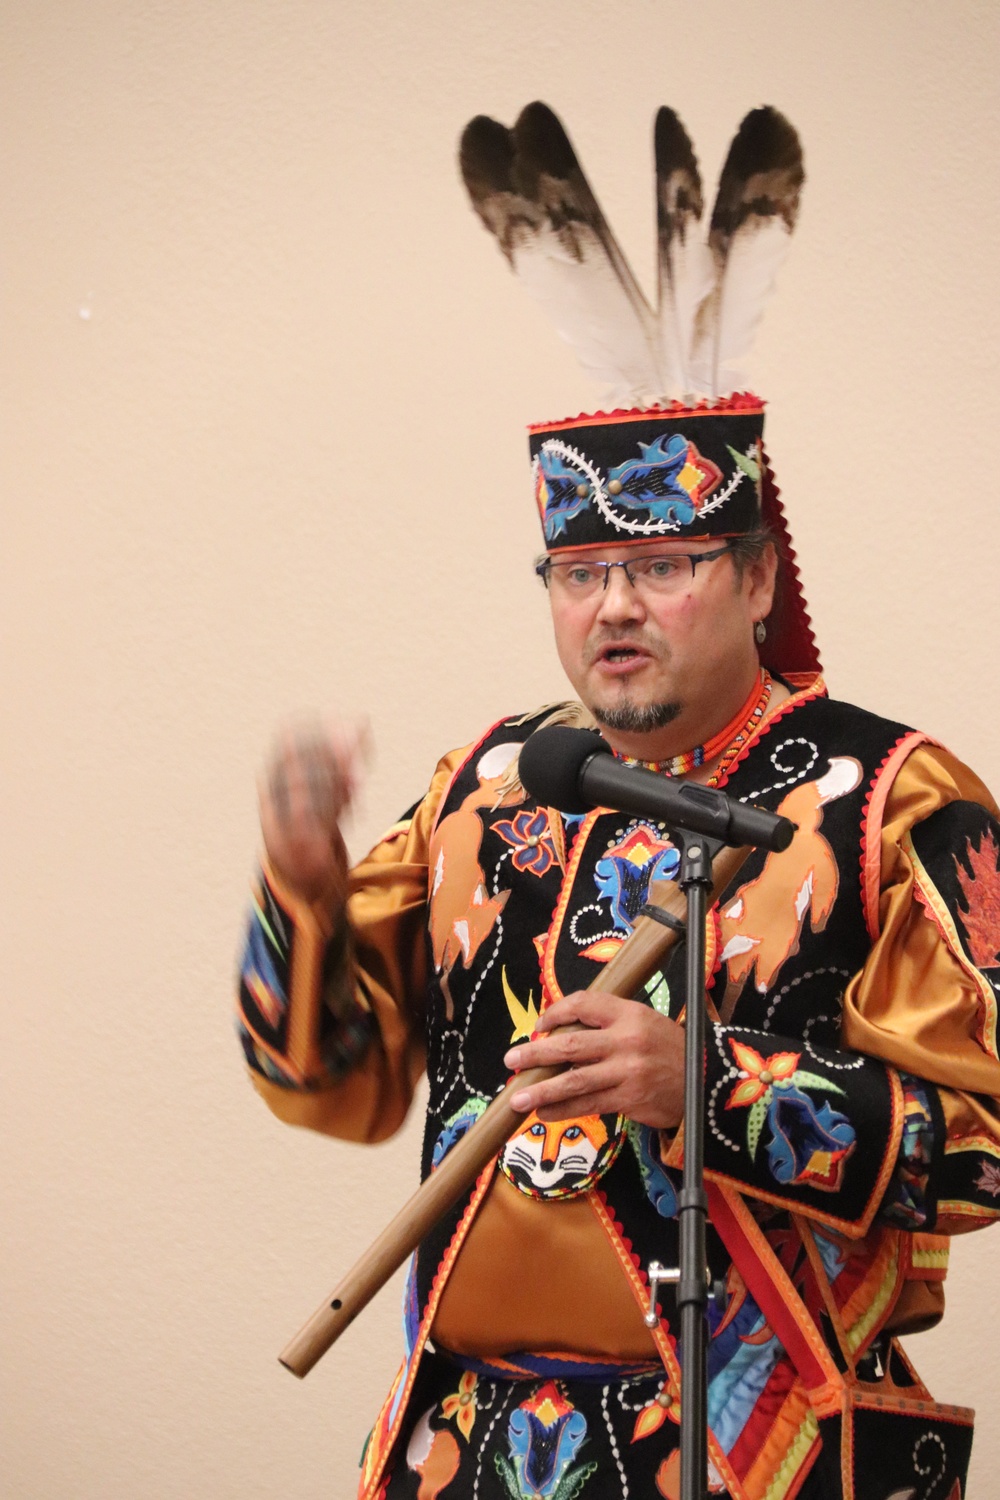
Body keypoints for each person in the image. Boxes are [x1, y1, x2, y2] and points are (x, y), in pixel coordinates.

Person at [237, 104, 1000, 1500]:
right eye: (579, 575)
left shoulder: (890, 798)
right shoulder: (488, 783)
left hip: (759, 1447)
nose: (615, 609)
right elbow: (328, 1084)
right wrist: (298, 887)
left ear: (761, 578)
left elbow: (987, 1146)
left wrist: (700, 1085)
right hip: (462, 1442)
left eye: (664, 565)